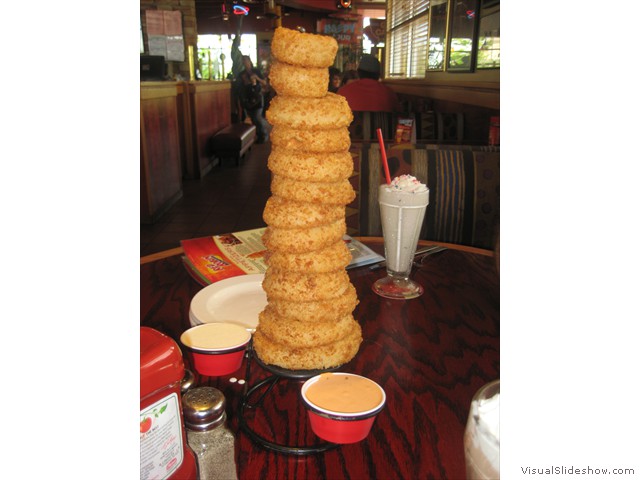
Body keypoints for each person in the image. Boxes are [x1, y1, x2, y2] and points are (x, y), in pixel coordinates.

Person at [238, 55, 271, 143]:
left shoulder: (256, 71)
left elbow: (264, 83)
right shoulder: (241, 74)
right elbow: (240, 88)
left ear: (250, 61)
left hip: (258, 97)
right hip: (248, 99)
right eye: (243, 61)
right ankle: (259, 135)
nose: (245, 63)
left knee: (257, 117)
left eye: (246, 61)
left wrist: (257, 78)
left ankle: (264, 135)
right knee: (253, 118)